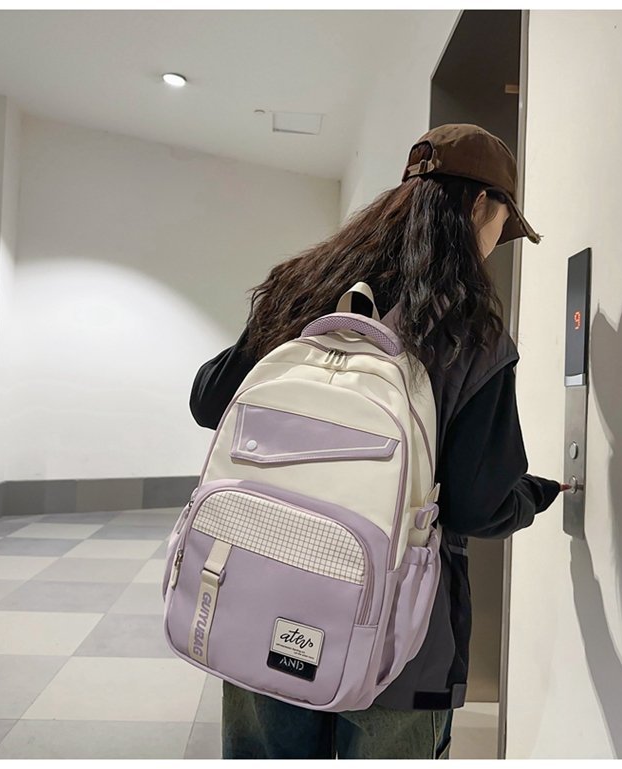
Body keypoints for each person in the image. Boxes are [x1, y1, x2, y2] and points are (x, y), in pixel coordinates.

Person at [188, 124, 565, 760]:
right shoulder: (470, 334)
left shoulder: (303, 287)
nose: (496, 244)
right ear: (481, 204)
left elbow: (208, 401)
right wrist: (535, 495)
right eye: (503, 224)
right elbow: (477, 506)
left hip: (260, 592)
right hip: (396, 641)